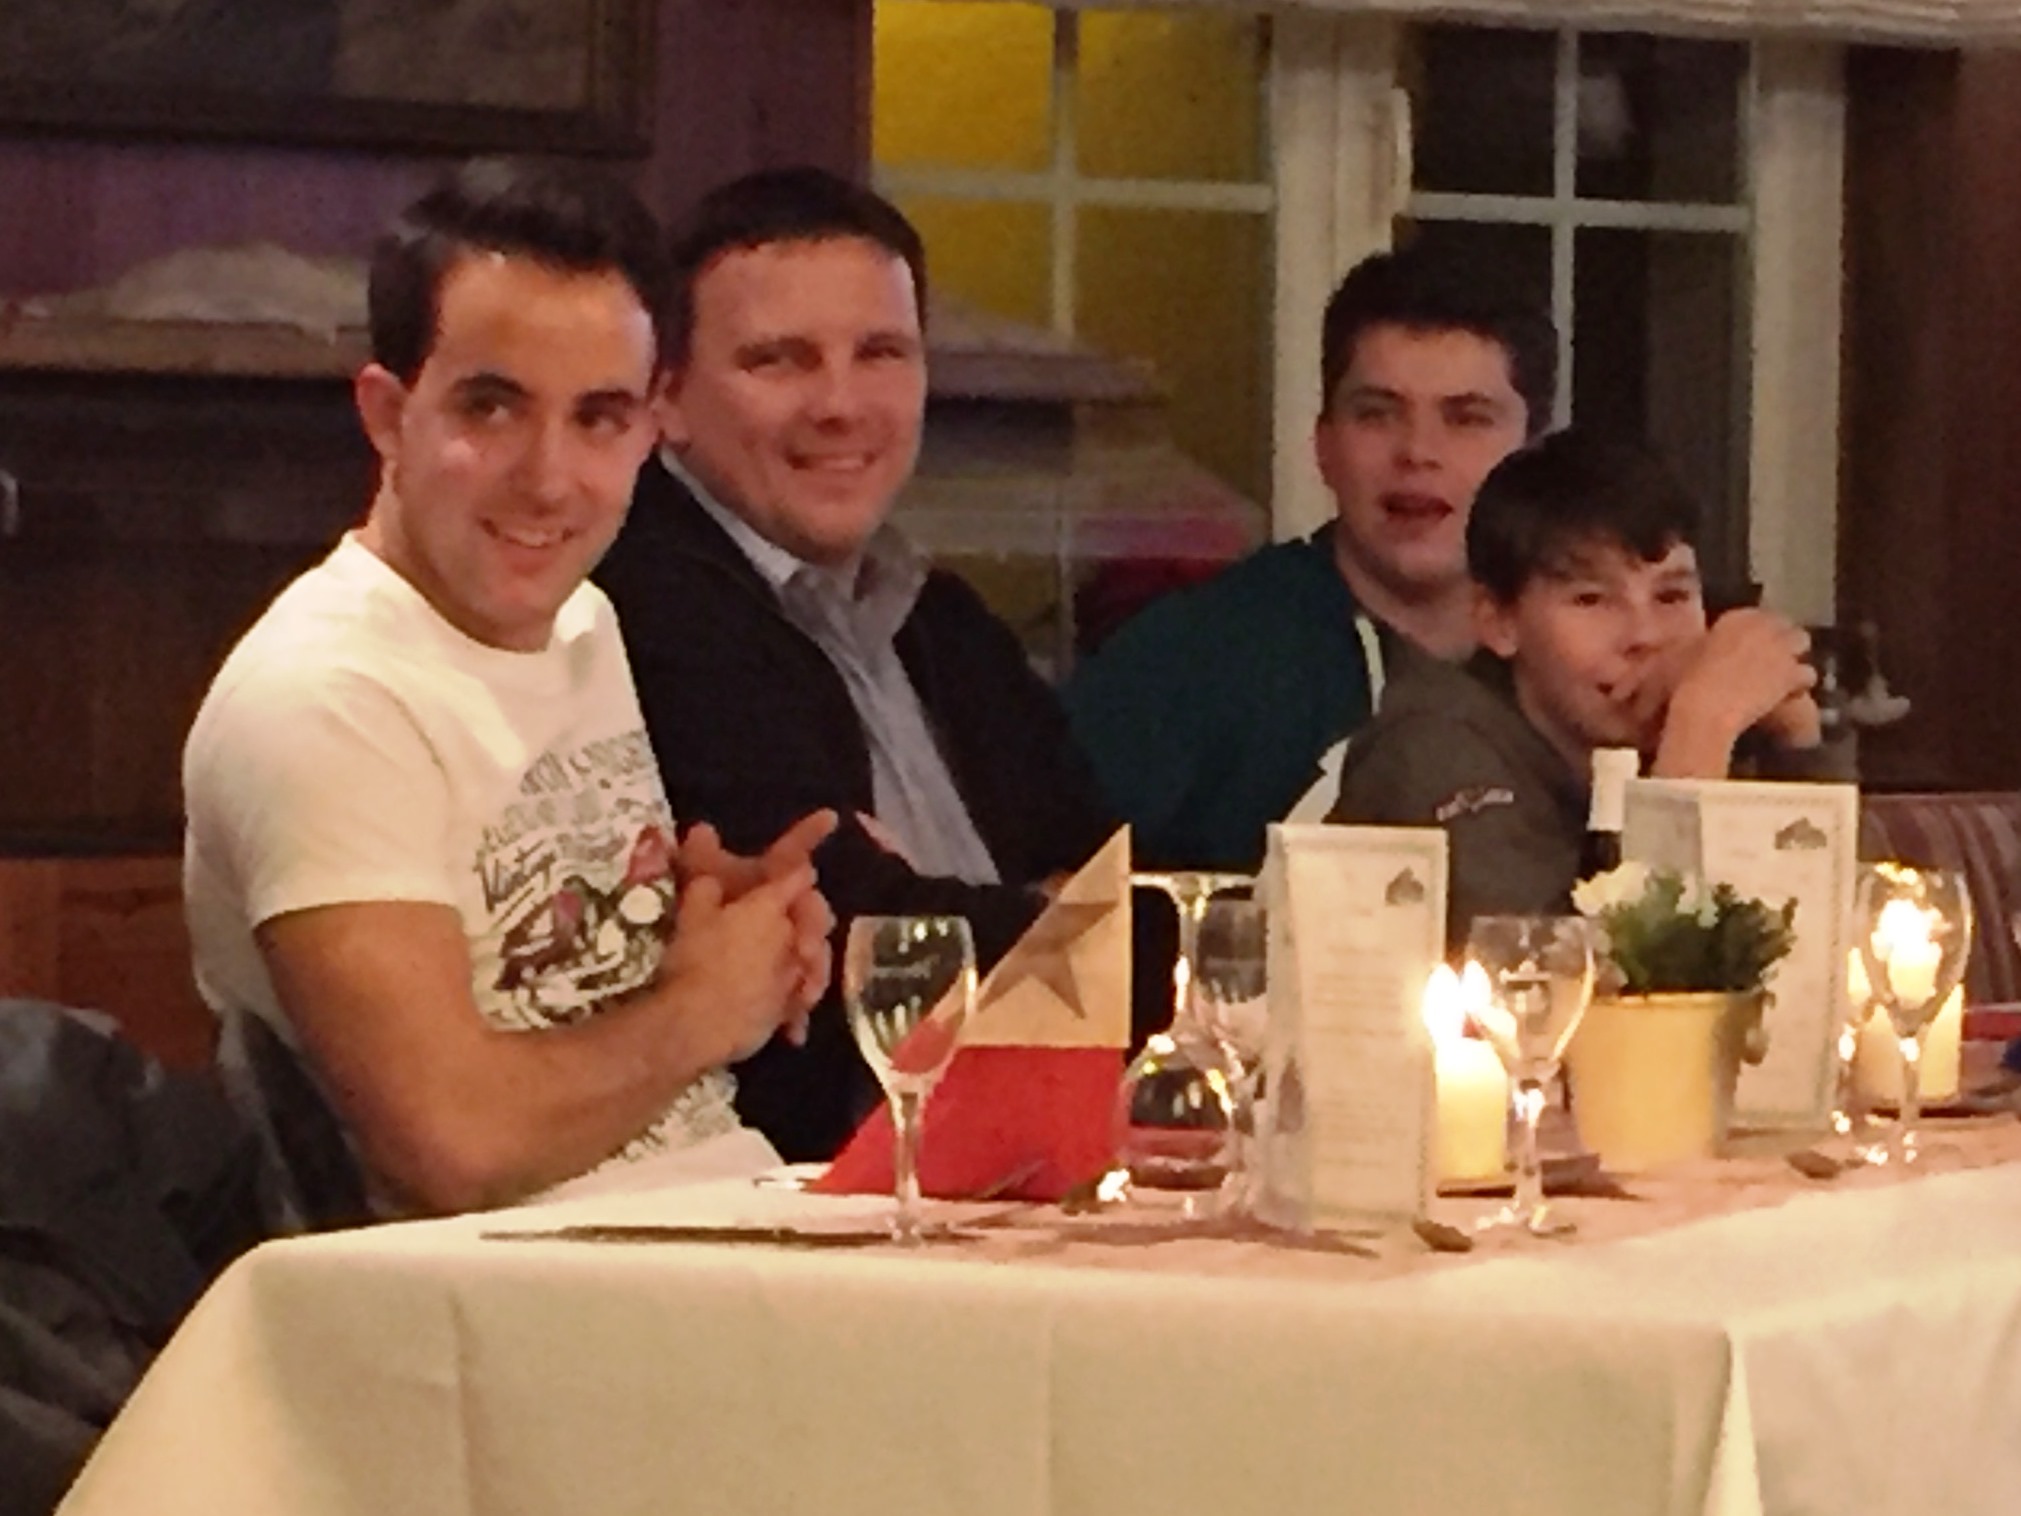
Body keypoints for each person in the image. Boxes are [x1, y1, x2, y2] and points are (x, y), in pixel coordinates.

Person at [182, 158, 835, 1219]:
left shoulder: (584, 619)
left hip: (723, 1224)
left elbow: (541, 971)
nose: (546, 479)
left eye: (598, 418)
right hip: (519, 1301)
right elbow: (450, 1145)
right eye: (491, 408)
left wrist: (693, 919)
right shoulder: (323, 695)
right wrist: (703, 1007)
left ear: (653, 427)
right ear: (387, 414)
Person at [593, 167, 1117, 1161]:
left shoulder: (941, 619)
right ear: (667, 399)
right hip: (797, 1198)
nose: (839, 404)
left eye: (879, 353)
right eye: (778, 360)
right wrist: (1032, 914)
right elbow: (863, 936)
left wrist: (956, 906)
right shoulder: (645, 604)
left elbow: (1127, 895)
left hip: (1017, 1169)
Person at [1062, 246, 1556, 873]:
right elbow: (1043, 891)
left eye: (1466, 419)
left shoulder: (1584, 662)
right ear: (1323, 444)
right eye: (1377, 414)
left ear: (1536, 457)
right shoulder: (1187, 660)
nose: (1417, 451)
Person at [1329, 428, 1846, 946]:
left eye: (1670, 597)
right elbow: (1553, 973)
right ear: (1498, 621)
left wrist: (1796, 744)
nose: (1644, 636)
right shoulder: (1431, 749)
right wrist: (1698, 736)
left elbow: (1822, 949)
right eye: (1592, 600)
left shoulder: (1707, 718)